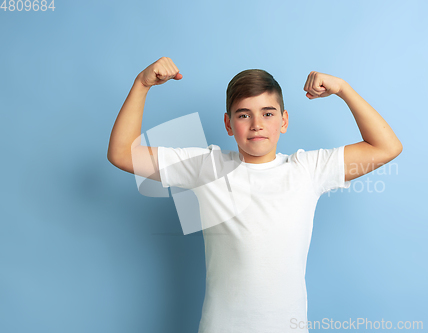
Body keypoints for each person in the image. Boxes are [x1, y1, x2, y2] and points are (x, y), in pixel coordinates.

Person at [107, 57, 403, 332]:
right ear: (228, 124)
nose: (257, 124)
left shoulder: (308, 169)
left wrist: (343, 89)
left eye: (268, 113)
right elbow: (122, 154)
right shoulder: (206, 166)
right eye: (244, 114)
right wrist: (141, 85)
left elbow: (385, 147)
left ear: (284, 121)